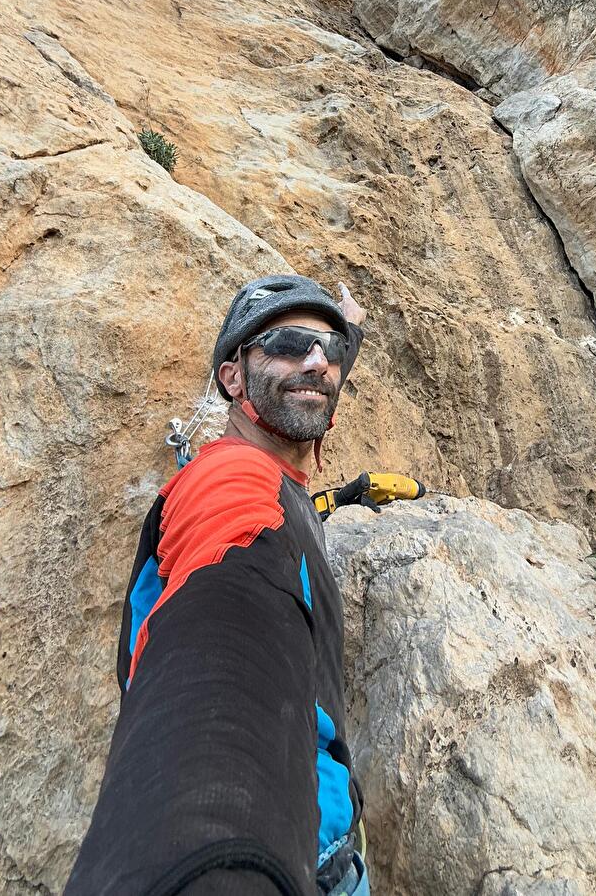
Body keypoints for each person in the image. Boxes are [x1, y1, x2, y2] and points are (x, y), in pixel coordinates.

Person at [66, 274, 372, 896]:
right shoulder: (230, 481)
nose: (316, 361)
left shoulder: (274, 471)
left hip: (310, 834)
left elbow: (308, 377)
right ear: (233, 379)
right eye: (286, 343)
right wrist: (213, 856)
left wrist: (348, 335)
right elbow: (225, 626)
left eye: (330, 351)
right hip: (284, 853)